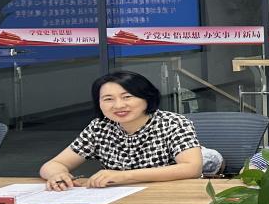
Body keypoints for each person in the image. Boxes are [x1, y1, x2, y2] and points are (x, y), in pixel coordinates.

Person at [39, 71, 204, 190]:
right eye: (108, 99)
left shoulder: (173, 123)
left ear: (147, 98)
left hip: (170, 194)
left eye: (127, 97)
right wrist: (57, 175)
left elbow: (191, 168)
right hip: (118, 198)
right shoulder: (100, 127)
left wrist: (124, 176)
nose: (118, 105)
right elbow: (54, 164)